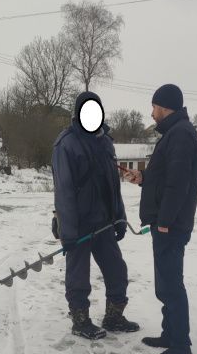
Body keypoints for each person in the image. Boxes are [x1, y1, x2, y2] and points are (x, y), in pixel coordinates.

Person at [51, 91, 140, 340]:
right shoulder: (66, 144)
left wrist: (120, 217)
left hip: (104, 223)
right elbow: (64, 191)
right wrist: (67, 231)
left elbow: (113, 184)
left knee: (116, 270)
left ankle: (113, 316)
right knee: (78, 276)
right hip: (78, 224)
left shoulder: (105, 142)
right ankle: (80, 321)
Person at [125, 84, 197, 354]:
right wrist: (142, 178)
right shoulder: (174, 133)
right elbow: (164, 175)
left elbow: (178, 184)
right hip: (165, 223)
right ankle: (170, 334)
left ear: (165, 106)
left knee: (171, 284)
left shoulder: (180, 134)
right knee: (165, 283)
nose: (152, 112)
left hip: (171, 224)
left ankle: (181, 344)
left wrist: (166, 220)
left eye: (154, 106)